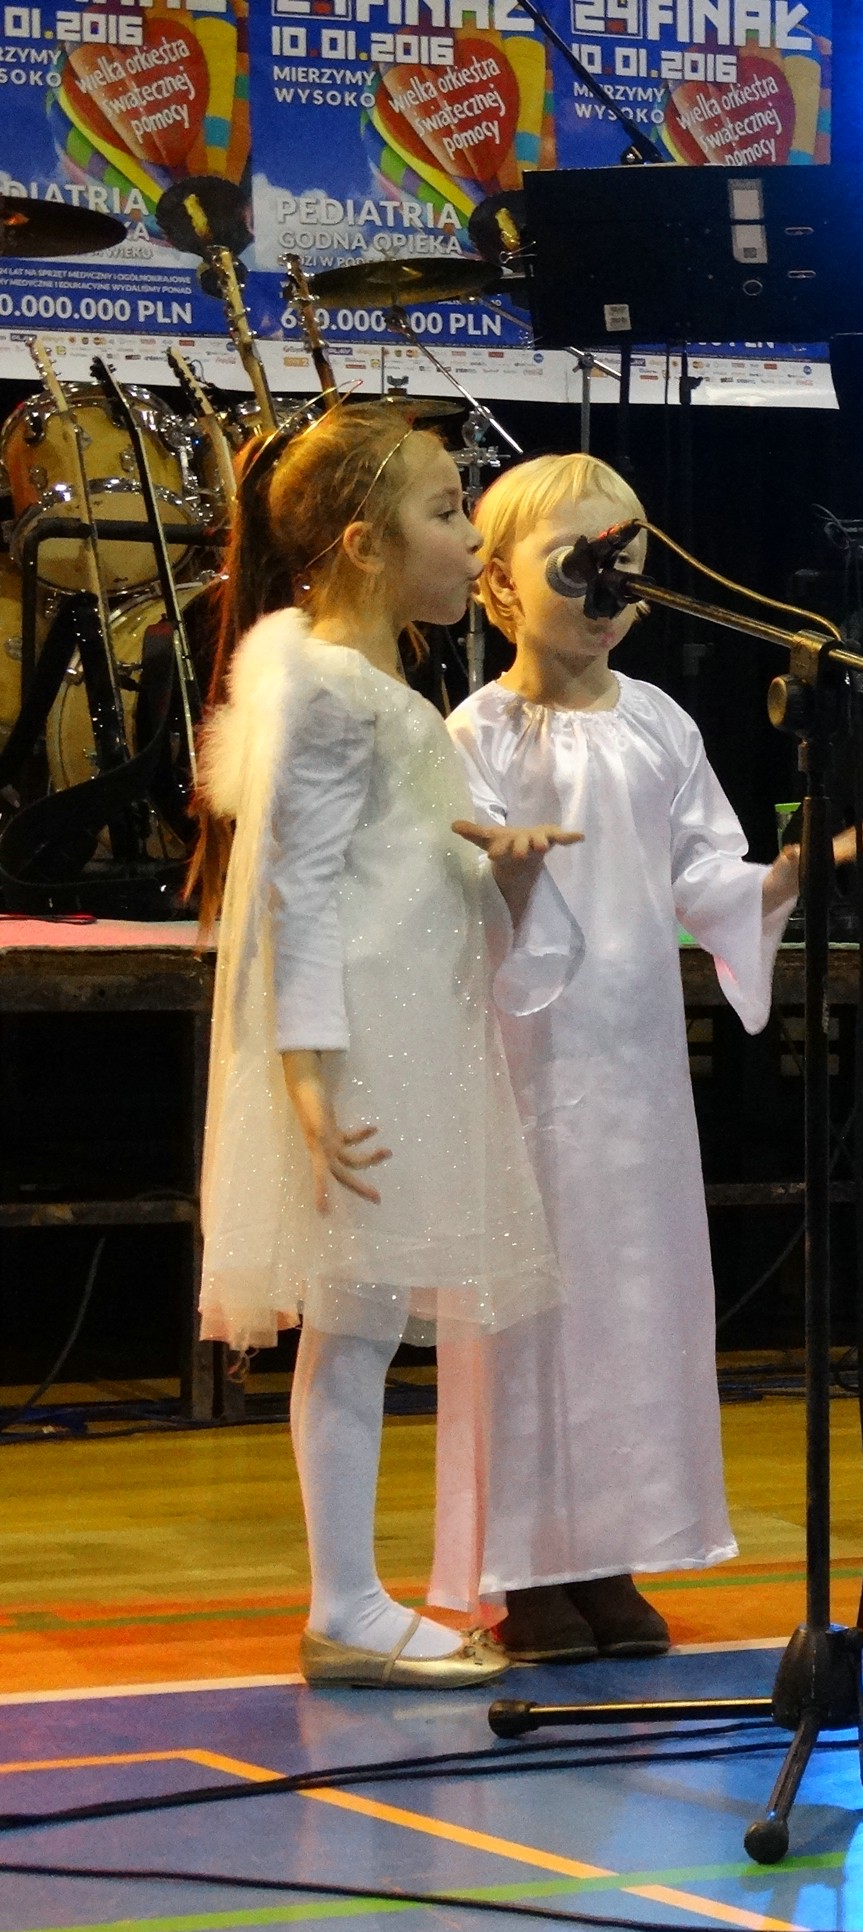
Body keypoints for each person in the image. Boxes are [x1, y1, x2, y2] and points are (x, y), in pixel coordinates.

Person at [428, 453, 863, 1662]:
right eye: (575, 563)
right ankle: (525, 1568)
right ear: (499, 586)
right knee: (529, 1307)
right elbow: (456, 889)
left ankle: (609, 1551)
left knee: (628, 1298)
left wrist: (783, 878)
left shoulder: (660, 723)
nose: (606, 588)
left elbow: (701, 875)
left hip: (631, 1067)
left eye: (623, 564)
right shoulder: (476, 732)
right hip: (527, 1059)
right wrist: (502, 874)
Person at [192, 404, 583, 1687]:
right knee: (353, 1327)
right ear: (364, 544)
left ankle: (350, 1600)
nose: (472, 537)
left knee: (355, 1327)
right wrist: (308, 1078)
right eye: (445, 510)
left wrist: (499, 865)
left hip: (399, 1029)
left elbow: (394, 869)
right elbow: (297, 894)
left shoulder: (372, 685)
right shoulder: (326, 687)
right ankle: (346, 1605)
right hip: (360, 1049)